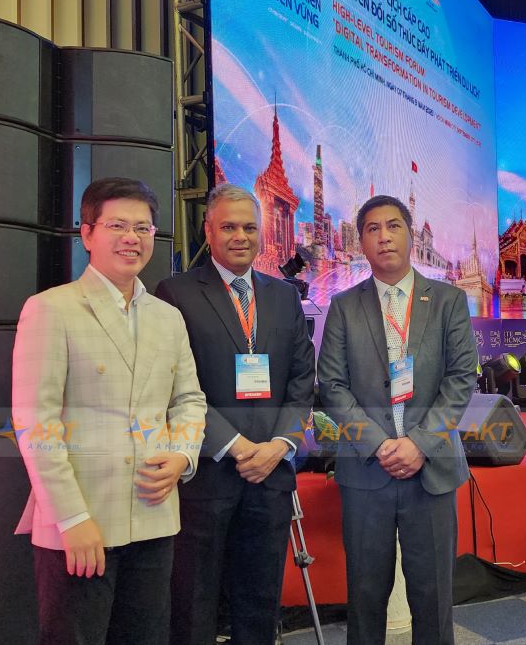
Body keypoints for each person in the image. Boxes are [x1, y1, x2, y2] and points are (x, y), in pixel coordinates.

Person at [12, 177, 207, 645]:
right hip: (83, 523)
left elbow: (189, 400)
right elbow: (36, 424)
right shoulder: (51, 309)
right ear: (87, 233)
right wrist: (71, 519)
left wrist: (182, 455)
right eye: (117, 225)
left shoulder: (168, 317)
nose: (131, 238)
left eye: (142, 228)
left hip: (154, 517)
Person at [156, 185, 316, 645]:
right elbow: (174, 386)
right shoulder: (176, 293)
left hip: (271, 474)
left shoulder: (284, 296)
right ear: (208, 231)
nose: (240, 236)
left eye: (249, 227)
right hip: (206, 475)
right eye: (228, 227)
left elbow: (302, 379)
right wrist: (236, 445)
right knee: (193, 603)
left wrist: (280, 446)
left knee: (260, 604)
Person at [317, 194, 477, 645]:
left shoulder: (448, 300)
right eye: (372, 229)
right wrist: (379, 444)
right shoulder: (343, 306)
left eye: (393, 226)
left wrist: (419, 443)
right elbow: (332, 385)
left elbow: (461, 378)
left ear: (410, 234)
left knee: (433, 596)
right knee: (366, 595)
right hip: (367, 470)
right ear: (361, 242)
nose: (384, 236)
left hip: (432, 469)